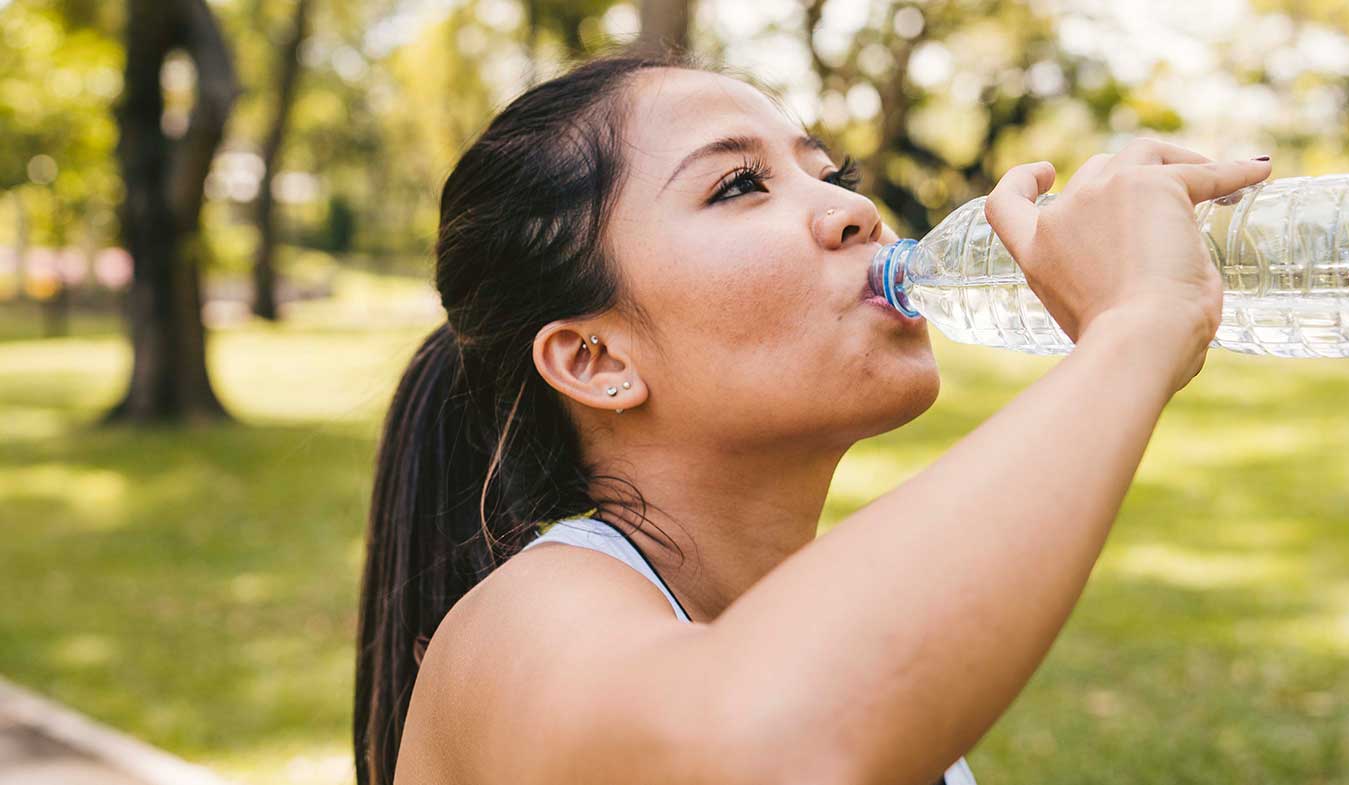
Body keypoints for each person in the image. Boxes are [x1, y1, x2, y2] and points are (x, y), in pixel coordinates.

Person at [353, 49, 1272, 785]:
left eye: (827, 172)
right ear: (597, 360)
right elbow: (775, 752)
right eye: (738, 186)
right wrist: (1135, 329)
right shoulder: (518, 628)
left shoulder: (831, 632)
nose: (852, 209)